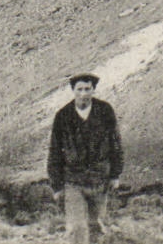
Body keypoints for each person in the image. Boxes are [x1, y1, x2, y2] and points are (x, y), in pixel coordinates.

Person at [46, 73, 123, 244]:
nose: (83, 94)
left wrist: (115, 175)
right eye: (79, 89)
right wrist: (57, 185)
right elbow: (55, 152)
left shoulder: (105, 111)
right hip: (73, 181)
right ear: (73, 91)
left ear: (93, 90)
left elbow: (115, 144)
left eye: (87, 89)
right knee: (77, 228)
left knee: (96, 225)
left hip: (99, 179)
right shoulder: (62, 116)